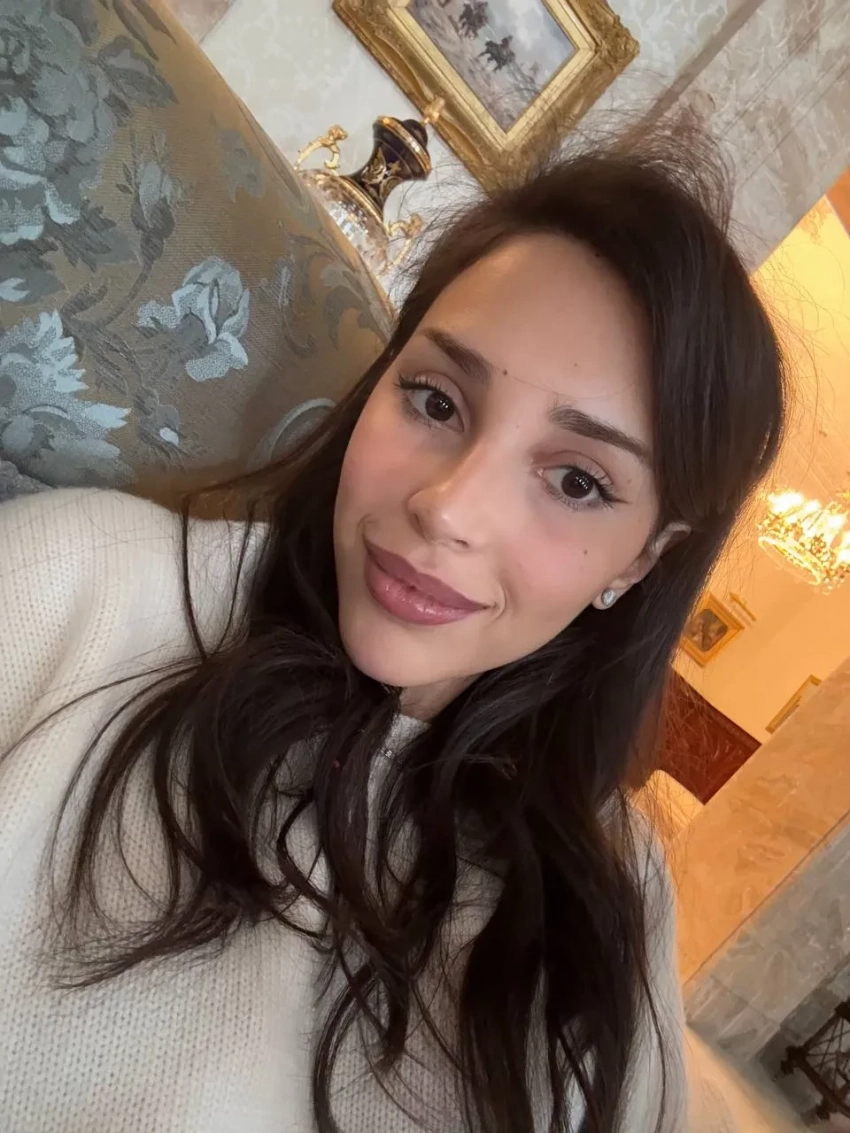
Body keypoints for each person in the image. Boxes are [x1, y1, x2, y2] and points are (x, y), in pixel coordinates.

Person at [0, 129, 785, 1133]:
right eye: (436, 400)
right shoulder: (79, 588)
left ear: (638, 562)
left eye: (577, 481)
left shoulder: (614, 897)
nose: (449, 508)